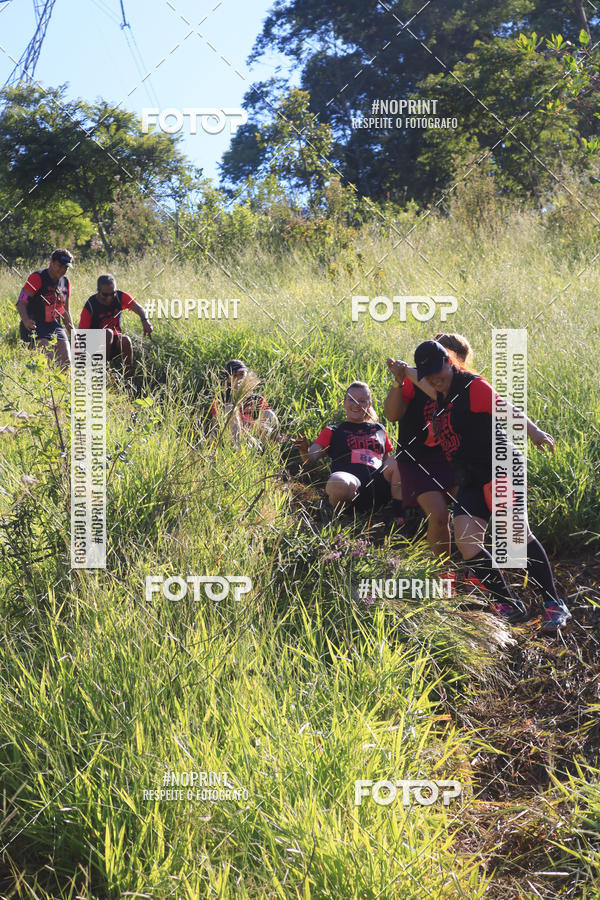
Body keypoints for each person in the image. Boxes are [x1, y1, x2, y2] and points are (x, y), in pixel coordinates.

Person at [414, 338, 571, 635]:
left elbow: (506, 409)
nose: (434, 378)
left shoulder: (472, 387)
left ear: (449, 361)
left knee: (516, 535)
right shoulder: (441, 395)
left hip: (501, 469)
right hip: (471, 476)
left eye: (438, 370)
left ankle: (554, 604)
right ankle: (508, 604)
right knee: (466, 541)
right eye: (428, 375)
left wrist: (535, 432)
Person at [383, 333, 473, 556]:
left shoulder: (461, 384)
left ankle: (472, 563)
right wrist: (399, 379)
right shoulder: (416, 380)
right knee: (439, 516)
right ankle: (444, 573)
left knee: (469, 511)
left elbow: (444, 396)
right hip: (417, 460)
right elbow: (392, 415)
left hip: (449, 459)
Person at [294, 381, 404, 518]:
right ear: (344, 402)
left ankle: (398, 514)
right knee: (338, 482)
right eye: (351, 400)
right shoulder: (333, 430)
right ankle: (341, 515)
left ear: (369, 404)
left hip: (379, 485)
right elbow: (310, 459)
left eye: (362, 401)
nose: (356, 405)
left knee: (401, 458)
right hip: (349, 484)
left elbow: (388, 461)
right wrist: (304, 450)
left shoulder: (379, 429)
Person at [77, 275, 153, 378]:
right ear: (98, 291)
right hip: (93, 345)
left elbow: (138, 308)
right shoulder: (91, 304)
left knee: (126, 340)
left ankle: (127, 379)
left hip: (112, 341)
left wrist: (145, 321)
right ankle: (103, 373)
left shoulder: (119, 297)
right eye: (105, 294)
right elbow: (81, 333)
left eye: (112, 293)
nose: (109, 298)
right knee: (108, 333)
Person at [16, 248, 75, 369]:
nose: (63, 270)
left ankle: (63, 388)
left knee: (66, 363)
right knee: (48, 362)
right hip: (35, 324)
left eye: (66, 267)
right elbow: (20, 303)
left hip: (54, 326)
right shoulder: (37, 277)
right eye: (60, 266)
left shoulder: (65, 282)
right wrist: (26, 320)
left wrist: (73, 333)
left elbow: (65, 310)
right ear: (51, 262)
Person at [210, 359, 278, 442]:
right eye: (235, 375)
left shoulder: (258, 399)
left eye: (242, 374)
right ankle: (237, 449)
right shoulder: (222, 398)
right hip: (232, 440)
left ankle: (272, 447)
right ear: (228, 379)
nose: (239, 378)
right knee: (230, 409)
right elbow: (215, 426)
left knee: (269, 413)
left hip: (255, 439)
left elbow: (266, 421)